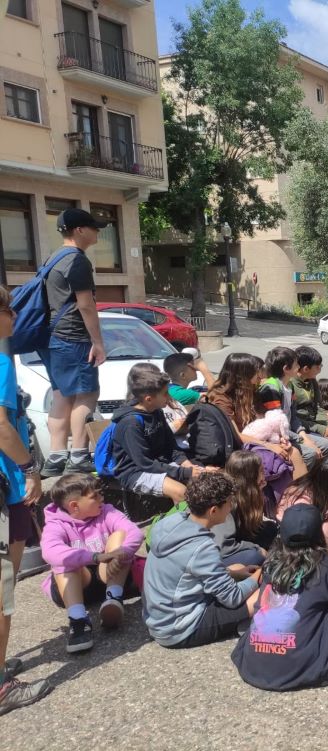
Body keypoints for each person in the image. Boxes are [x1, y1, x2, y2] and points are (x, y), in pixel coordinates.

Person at [230, 504, 328, 691]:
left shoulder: (271, 563)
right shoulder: (324, 563)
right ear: (318, 533)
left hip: (255, 664)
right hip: (301, 664)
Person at [0, 284, 50, 713]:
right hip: (4, 488)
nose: (14, 317)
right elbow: (1, 425)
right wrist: (30, 468)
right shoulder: (0, 363)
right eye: (9, 310)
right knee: (2, 588)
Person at [143, 473, 262, 648]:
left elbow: (187, 567)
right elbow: (233, 597)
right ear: (213, 510)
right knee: (262, 594)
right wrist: (259, 576)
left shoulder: (169, 523)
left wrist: (236, 573)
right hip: (180, 629)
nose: (231, 507)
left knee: (237, 567)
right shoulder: (202, 547)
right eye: (229, 502)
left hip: (159, 620)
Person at [38, 209, 108, 477]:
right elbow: (86, 305)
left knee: (62, 396)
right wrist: (97, 342)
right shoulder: (77, 260)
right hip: (74, 336)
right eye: (94, 227)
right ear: (79, 230)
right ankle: (79, 455)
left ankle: (56, 457)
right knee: (87, 394)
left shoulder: (53, 258)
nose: (97, 231)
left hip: (53, 337)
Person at [40, 474, 143, 652]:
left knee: (121, 535)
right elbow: (50, 551)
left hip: (110, 575)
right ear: (74, 506)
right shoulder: (55, 524)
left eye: (100, 493)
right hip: (76, 586)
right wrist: (94, 557)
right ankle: (78, 620)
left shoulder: (107, 511)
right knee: (65, 561)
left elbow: (134, 532)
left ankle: (113, 599)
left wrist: (122, 552)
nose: (102, 498)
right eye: (95, 496)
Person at [111, 367, 202, 504]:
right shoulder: (130, 424)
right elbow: (145, 463)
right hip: (135, 472)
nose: (169, 396)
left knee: (201, 484)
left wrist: (189, 467)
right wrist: (184, 473)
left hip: (159, 464)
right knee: (181, 492)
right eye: (165, 393)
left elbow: (171, 447)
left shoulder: (156, 411)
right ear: (149, 399)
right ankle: (182, 518)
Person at [214, 451, 279, 568]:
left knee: (271, 529)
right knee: (255, 556)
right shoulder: (226, 501)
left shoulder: (245, 493)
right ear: (249, 476)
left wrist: (258, 492)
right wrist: (256, 548)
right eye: (261, 471)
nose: (264, 475)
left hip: (236, 536)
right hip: (217, 553)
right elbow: (224, 547)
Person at [290, 346, 328, 446]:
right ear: (306, 369)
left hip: (314, 422)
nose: (320, 369)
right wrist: (321, 429)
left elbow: (318, 406)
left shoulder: (312, 381)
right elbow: (293, 417)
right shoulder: (290, 385)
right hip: (302, 427)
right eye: (318, 367)